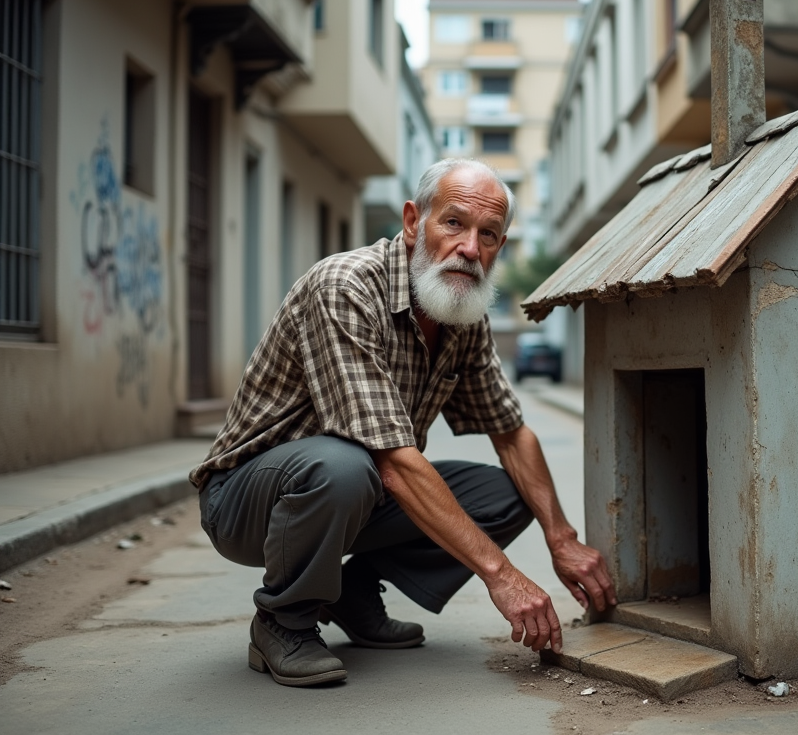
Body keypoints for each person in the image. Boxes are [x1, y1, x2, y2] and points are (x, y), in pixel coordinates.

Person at [190, 158, 615, 687]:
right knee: (346, 464)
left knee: (509, 493)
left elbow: (509, 431)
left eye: (488, 234)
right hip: (247, 501)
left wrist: (562, 538)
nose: (469, 247)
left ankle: (354, 591)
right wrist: (502, 576)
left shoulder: (463, 313)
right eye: (454, 223)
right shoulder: (345, 286)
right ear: (414, 222)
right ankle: (283, 622)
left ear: (499, 247)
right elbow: (391, 461)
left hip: (357, 492)